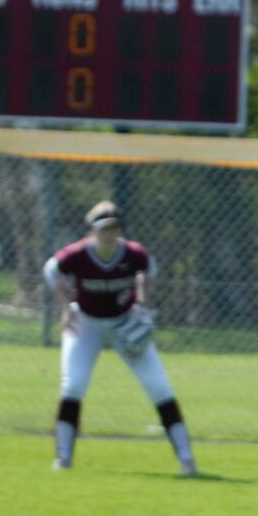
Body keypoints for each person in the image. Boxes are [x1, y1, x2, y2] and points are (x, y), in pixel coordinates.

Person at [43, 201, 197, 476]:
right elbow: (51, 270)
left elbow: (150, 268)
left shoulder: (133, 253)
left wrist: (142, 302)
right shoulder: (78, 254)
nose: (108, 234)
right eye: (103, 229)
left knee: (159, 387)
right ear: (91, 230)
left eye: (114, 229)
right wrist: (65, 306)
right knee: (73, 386)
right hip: (86, 324)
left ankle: (187, 459)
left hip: (125, 323)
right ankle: (63, 459)